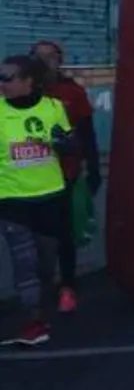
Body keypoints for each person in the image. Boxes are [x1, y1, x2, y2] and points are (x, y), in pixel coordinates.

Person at [0, 54, 77, 347]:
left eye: (7, 78)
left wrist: (65, 143)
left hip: (49, 195)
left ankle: (40, 314)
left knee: (45, 263)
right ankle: (31, 322)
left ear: (28, 82)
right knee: (25, 262)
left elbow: (71, 144)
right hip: (11, 198)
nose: (1, 84)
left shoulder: (53, 108)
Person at [30, 40, 99, 314]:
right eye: (39, 57)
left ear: (60, 61)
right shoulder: (18, 92)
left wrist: (93, 168)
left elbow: (87, 132)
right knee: (33, 235)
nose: (45, 62)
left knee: (64, 232)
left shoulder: (71, 92)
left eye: (51, 57)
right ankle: (39, 284)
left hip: (65, 174)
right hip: (26, 177)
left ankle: (67, 283)